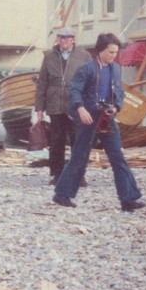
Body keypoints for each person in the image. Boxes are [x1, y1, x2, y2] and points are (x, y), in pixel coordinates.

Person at [53, 33, 144, 212]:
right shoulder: (86, 69)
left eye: (116, 52)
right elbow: (75, 91)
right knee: (79, 157)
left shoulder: (116, 69)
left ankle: (128, 199)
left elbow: (119, 92)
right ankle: (62, 194)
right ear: (101, 50)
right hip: (89, 117)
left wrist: (116, 107)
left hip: (107, 118)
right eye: (110, 52)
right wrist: (80, 108)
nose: (114, 56)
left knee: (118, 157)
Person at [35, 27, 88, 186]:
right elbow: (42, 82)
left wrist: (87, 104)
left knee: (77, 141)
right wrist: (39, 107)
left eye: (67, 38)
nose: (63, 41)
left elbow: (90, 81)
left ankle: (79, 175)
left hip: (76, 104)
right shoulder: (49, 56)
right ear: (57, 39)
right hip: (55, 103)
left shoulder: (83, 56)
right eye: (61, 38)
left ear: (73, 39)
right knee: (56, 141)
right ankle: (57, 174)